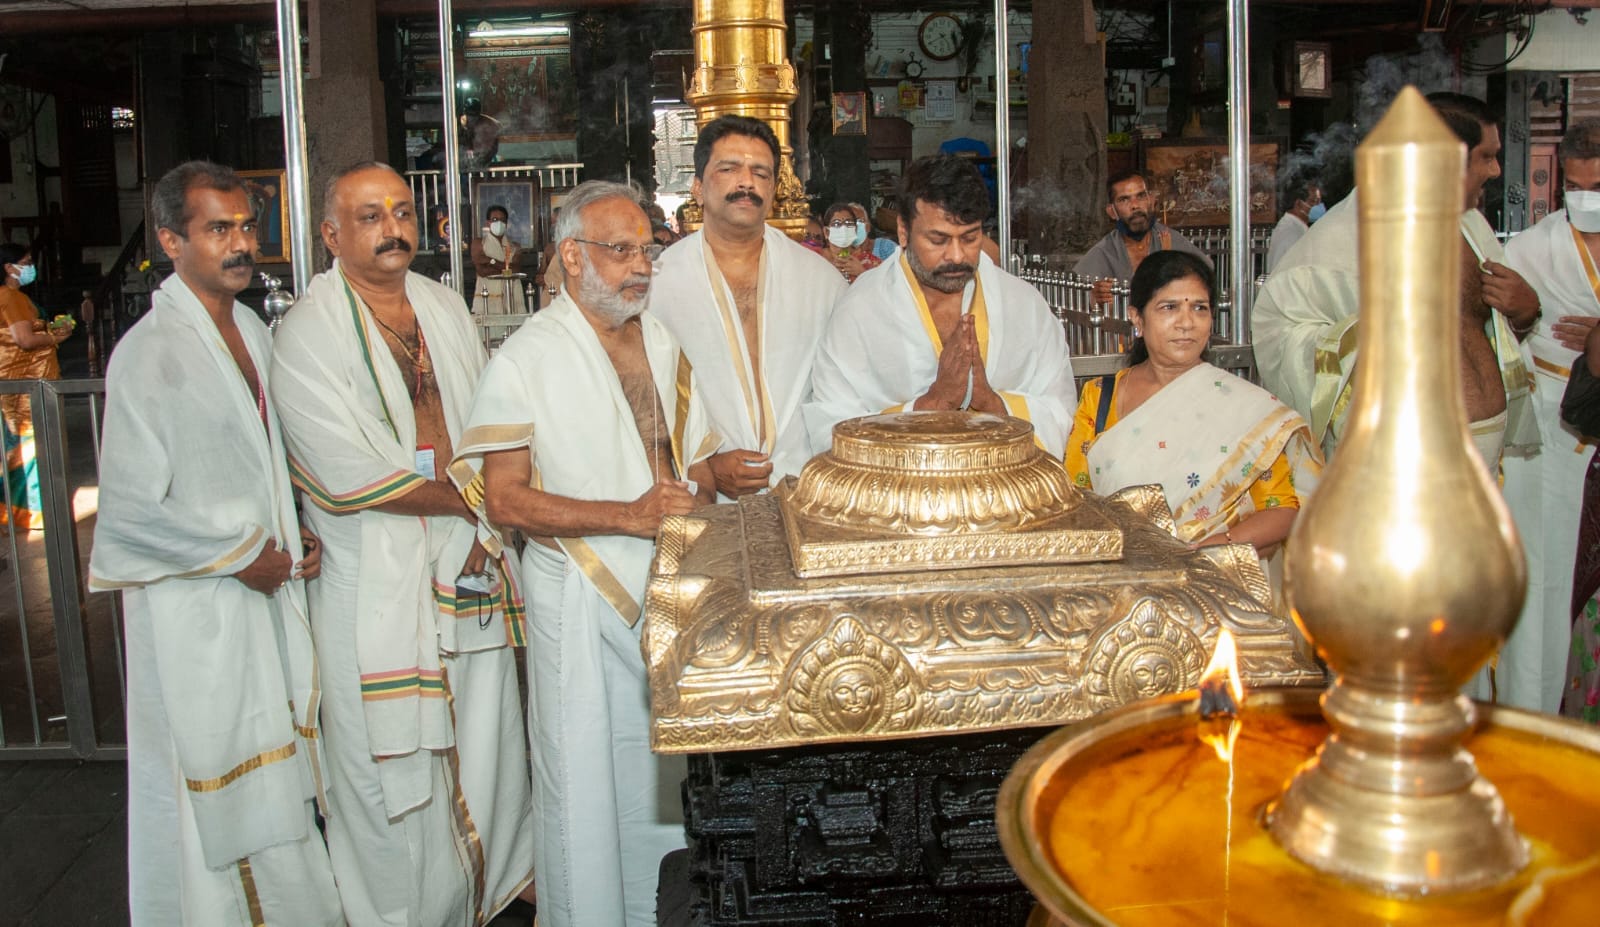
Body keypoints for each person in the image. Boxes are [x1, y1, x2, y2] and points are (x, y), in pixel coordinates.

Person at [270, 161, 534, 926]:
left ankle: (484, 896)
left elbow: (489, 423)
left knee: (486, 742)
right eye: (368, 216)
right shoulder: (306, 333)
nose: (391, 228)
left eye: (399, 211)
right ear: (330, 233)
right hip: (372, 579)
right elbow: (340, 470)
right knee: (383, 769)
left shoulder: (444, 305)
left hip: (466, 561)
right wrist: (488, 504)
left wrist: (486, 520)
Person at [450, 181, 720, 926]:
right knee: (586, 780)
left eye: (647, 250)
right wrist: (626, 516)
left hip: (663, 591)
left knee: (658, 776)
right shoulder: (529, 357)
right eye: (620, 249)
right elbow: (503, 498)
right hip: (578, 591)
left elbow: (683, 464)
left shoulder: (658, 339)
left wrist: (711, 485)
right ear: (572, 256)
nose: (640, 266)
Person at [88, 161, 342, 925]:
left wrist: (294, 523)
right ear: (170, 239)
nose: (241, 244)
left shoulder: (254, 330)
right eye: (217, 229)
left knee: (275, 783)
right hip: (197, 609)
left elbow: (259, 463)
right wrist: (241, 556)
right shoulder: (149, 354)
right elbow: (129, 513)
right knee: (212, 786)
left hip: (262, 593)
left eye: (245, 226)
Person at [1252, 92, 1541, 472]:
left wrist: (1524, 313)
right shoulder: (1345, 239)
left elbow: (1484, 333)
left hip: (1485, 446)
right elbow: (1276, 330)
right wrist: (1365, 341)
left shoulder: (1470, 225)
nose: (1496, 171)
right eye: (1486, 156)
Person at [1063, 251, 1322, 587]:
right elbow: (1075, 500)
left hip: (1216, 582)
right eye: (1169, 307)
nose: (1187, 322)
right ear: (1136, 319)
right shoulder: (1101, 397)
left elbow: (1281, 509)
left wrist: (1207, 549)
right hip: (1120, 583)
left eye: (1199, 307)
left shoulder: (1244, 408)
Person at [806, 154, 1078, 456]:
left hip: (1001, 497)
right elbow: (832, 428)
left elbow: (1060, 410)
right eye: (938, 240)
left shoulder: (1024, 305)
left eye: (970, 238)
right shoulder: (859, 312)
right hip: (901, 500)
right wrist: (933, 404)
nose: (957, 256)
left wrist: (989, 403)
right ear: (903, 232)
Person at [652, 115, 845, 498]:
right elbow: (643, 402)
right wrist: (705, 465)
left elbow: (845, 392)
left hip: (804, 489)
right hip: (700, 494)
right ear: (697, 188)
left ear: (774, 189)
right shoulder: (657, 285)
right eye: (729, 169)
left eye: (761, 172)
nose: (746, 182)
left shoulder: (820, 282)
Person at [1506, 119, 1600, 717]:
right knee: (1547, 571)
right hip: (1551, 419)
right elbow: (1502, 332)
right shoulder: (1529, 250)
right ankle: (1539, 712)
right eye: (1581, 185)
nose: (1589, 197)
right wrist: (1527, 316)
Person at [0, 243, 70, 530]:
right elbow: (24, 340)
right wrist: (56, 338)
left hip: (16, 384)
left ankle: (15, 515)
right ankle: (25, 516)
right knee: (27, 449)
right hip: (24, 387)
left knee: (16, 448)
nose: (31, 266)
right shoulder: (11, 297)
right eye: (26, 261)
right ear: (9, 267)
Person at [1073, 169, 1211, 308]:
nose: (1135, 206)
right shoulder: (1104, 252)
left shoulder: (1171, 240)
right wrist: (1095, 297)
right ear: (1112, 212)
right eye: (1124, 199)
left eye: (1140, 196)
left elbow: (1205, 279)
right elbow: (1079, 299)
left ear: (1151, 201)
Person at [470, 204, 528, 315]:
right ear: (488, 223)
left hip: (513, 300)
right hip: (487, 302)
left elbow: (515, 270)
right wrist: (507, 269)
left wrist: (490, 261)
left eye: (502, 220)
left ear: (506, 224)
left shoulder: (515, 246)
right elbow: (482, 271)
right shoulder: (479, 243)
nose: (499, 223)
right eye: (495, 219)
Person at [812, 201, 883, 283]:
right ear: (826, 232)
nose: (843, 228)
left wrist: (861, 272)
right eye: (836, 224)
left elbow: (883, 290)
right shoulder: (815, 257)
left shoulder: (871, 262)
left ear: (855, 230)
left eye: (849, 223)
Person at [1265, 172, 1321, 272]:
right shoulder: (1292, 233)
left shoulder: (1295, 228)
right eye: (1313, 201)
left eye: (1319, 201)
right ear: (1298, 203)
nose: (1319, 206)